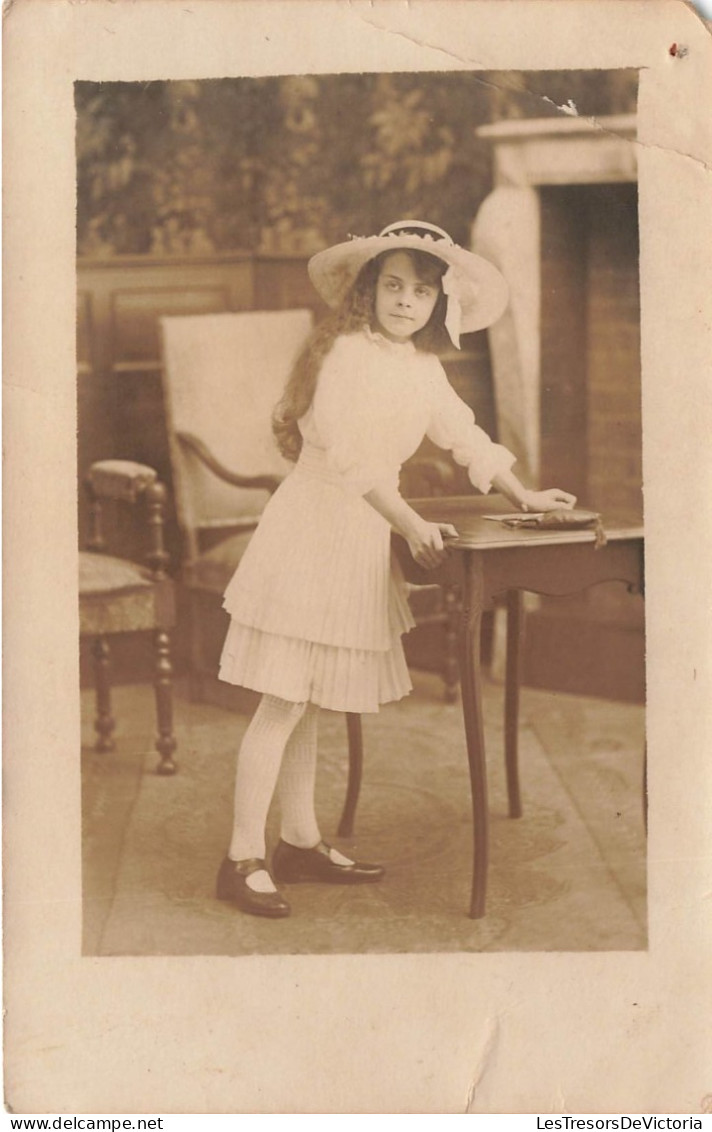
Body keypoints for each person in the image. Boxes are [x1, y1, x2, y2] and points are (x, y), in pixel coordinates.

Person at [215, 220, 576, 918]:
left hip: (358, 534)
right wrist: (411, 525)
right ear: (368, 293)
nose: (406, 301)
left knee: (309, 696)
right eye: (393, 286)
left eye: (422, 290)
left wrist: (522, 493)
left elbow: (463, 434)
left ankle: (297, 839)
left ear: (442, 301)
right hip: (315, 528)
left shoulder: (421, 366)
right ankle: (240, 858)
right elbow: (352, 460)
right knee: (285, 697)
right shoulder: (348, 354)